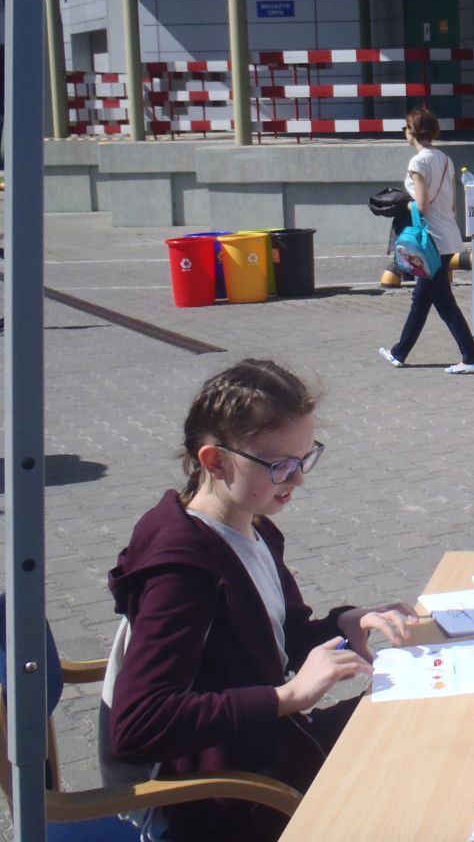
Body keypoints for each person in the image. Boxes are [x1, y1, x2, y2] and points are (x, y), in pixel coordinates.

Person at [106, 360, 416, 842]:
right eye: (281, 466)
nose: (298, 480)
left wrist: (346, 623)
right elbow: (139, 724)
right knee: (413, 766)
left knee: (416, 716)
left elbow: (274, 639)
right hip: (228, 798)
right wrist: (286, 697)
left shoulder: (251, 526)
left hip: (270, 751)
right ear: (215, 462)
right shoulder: (182, 569)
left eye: (305, 458)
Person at [379, 107, 474, 373]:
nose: (405, 132)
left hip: (429, 241)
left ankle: (471, 358)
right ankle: (399, 352)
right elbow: (451, 204)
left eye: (406, 127)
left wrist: (399, 204)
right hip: (446, 234)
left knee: (443, 303)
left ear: (412, 131)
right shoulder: (445, 159)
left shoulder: (417, 163)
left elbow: (422, 205)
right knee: (422, 297)